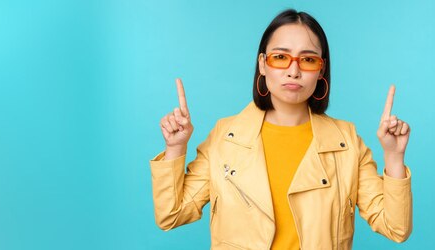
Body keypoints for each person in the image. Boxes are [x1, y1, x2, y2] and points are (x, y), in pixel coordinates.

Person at [149, 9, 413, 249]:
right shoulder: (225, 137)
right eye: (280, 57)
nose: (293, 71)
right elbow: (171, 215)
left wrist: (394, 156)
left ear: (321, 70)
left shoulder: (347, 143)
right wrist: (175, 148)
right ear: (262, 64)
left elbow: (396, 228)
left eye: (308, 60)